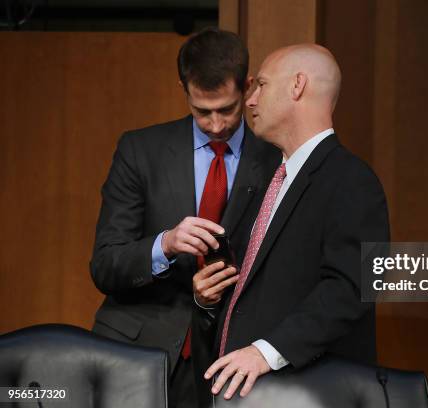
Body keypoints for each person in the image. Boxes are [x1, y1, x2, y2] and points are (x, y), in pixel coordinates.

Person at [89, 28, 279, 408]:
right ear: (183, 87)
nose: (215, 124)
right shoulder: (140, 150)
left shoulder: (275, 160)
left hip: (230, 358)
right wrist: (165, 244)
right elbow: (105, 265)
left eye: (227, 109)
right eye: (201, 111)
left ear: (247, 86)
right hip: (138, 352)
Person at [195, 44, 390, 401]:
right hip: (240, 391)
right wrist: (209, 298)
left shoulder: (351, 179)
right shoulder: (267, 178)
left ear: (297, 85)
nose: (250, 101)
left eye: (262, 85)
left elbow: (352, 287)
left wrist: (265, 352)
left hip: (303, 393)